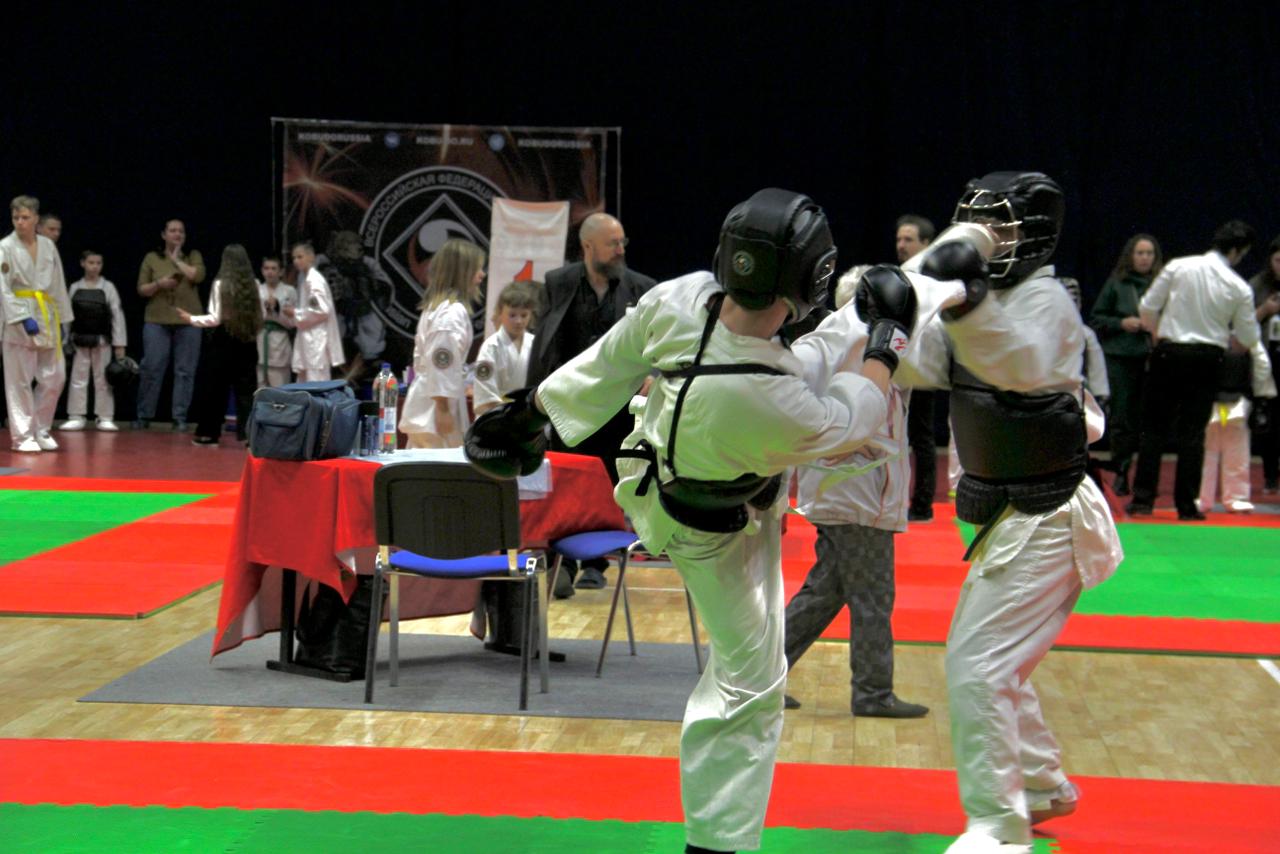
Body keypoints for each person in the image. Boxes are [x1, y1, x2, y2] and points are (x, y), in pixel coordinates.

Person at [465, 188, 922, 854]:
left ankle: (716, 836)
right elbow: (855, 414)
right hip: (715, 536)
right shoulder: (772, 400)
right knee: (751, 682)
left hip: (664, 477)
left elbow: (614, 357)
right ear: (813, 275)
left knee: (812, 352)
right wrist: (887, 341)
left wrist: (530, 412)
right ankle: (714, 842)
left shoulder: (681, 298)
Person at [896, 171, 1124, 853]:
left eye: (998, 226)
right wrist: (898, 299)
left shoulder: (1047, 301)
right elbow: (923, 366)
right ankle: (1043, 784)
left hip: (1050, 513)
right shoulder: (986, 297)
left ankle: (998, 826)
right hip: (1011, 515)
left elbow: (1017, 365)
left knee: (980, 666)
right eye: (975, 223)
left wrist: (959, 303)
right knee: (993, 657)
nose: (984, 238)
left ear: (1034, 235)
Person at [781, 266, 929, 719]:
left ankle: (755, 676)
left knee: (826, 593)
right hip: (853, 496)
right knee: (873, 597)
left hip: (854, 492)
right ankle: (873, 692)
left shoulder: (864, 345)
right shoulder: (835, 347)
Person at [527, 212, 657, 589]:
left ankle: (597, 564)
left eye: (622, 242)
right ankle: (565, 563)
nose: (620, 250)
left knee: (609, 483)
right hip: (573, 404)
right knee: (567, 483)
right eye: (612, 243)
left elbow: (658, 339)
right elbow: (545, 344)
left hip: (620, 408)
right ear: (587, 247)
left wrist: (653, 374)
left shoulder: (641, 288)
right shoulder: (559, 283)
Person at [1129, 220, 1269, 520]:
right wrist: (1229, 340)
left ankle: (1142, 500)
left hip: (1169, 351)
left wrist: (1157, 334)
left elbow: (1147, 307)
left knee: (1153, 429)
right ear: (1237, 251)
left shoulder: (1179, 266)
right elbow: (1247, 336)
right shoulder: (1238, 286)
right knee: (1193, 433)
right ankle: (1187, 506)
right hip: (1208, 358)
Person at [1089, 234, 1161, 495]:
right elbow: (1097, 318)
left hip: (1152, 358)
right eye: (1140, 253)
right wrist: (1121, 323)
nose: (1144, 258)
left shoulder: (1161, 284)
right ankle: (1121, 471)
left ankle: (1144, 478)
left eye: (1149, 253)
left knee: (1149, 420)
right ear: (1131, 256)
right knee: (1122, 418)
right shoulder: (1117, 283)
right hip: (1120, 358)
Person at [2, 195, 73, 452]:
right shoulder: (5, 247)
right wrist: (21, 316)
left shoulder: (47, 246)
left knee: (55, 376)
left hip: (47, 314)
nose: (20, 222)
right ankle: (22, 436)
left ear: (35, 219)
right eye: (16, 217)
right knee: (19, 381)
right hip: (19, 319)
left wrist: (64, 319)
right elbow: (2, 288)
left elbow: (58, 283)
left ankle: (41, 428)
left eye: (25, 217)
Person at [399, 238, 485, 448]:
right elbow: (441, 362)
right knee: (437, 463)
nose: (482, 275)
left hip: (433, 399)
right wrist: (443, 409)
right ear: (462, 273)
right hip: (435, 408)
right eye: (477, 269)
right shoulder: (450, 314)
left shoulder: (439, 308)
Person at [178, 244, 265, 445]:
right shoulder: (255, 284)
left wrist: (191, 319)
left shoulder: (220, 285)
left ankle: (209, 434)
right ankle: (250, 437)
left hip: (224, 340)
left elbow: (215, 318)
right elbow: (262, 315)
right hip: (247, 340)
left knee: (216, 389)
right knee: (247, 390)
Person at [134, 219, 205, 431]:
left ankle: (180, 417)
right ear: (164, 234)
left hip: (188, 321)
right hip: (157, 320)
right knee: (152, 367)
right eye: (173, 231)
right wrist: (159, 284)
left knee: (185, 371)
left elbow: (198, 276)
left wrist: (176, 260)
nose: (177, 234)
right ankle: (144, 415)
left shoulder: (193, 256)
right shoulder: (152, 258)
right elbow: (141, 289)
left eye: (181, 231)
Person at [897, 215, 940, 521]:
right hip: (904, 362)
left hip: (922, 365)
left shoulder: (930, 276)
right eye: (899, 239)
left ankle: (922, 504)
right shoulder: (905, 274)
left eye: (908, 239)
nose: (901, 245)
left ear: (926, 243)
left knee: (920, 435)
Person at [60, 250, 126, 431]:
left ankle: (104, 416)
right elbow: (67, 316)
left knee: (103, 379)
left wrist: (119, 343)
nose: (95, 266)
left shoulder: (108, 287)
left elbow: (117, 316)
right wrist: (64, 341)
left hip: (101, 340)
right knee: (77, 378)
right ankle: (76, 415)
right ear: (83, 263)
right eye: (91, 262)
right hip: (79, 340)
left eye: (98, 263)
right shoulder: (75, 287)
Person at [1198, 339, 1258, 513]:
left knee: (1225, 449)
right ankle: (1207, 497)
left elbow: (1261, 364)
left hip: (1233, 400)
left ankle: (1231, 497)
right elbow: (1262, 366)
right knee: (1212, 449)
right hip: (1213, 398)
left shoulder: (1245, 337)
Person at [472, 280, 538, 417]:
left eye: (524, 315)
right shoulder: (490, 347)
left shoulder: (535, 344)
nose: (519, 321)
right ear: (500, 313)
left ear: (531, 315)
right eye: (512, 315)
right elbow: (485, 394)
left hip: (528, 417)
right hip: (495, 418)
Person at [284, 241, 343, 382]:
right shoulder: (306, 279)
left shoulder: (315, 281)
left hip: (316, 342)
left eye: (300, 257)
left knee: (316, 382)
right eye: (294, 258)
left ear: (311, 257)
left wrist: (295, 313)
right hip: (308, 340)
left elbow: (322, 310)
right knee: (304, 383)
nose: (296, 261)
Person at [1249, 234, 1280, 493]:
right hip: (1266, 360)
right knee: (1269, 421)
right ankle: (1270, 475)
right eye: (1279, 260)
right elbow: (1243, 323)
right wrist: (1265, 310)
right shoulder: (1257, 285)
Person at [256, 254, 296, 388]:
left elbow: (293, 322)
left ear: (281, 272)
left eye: (274, 268)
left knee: (280, 390)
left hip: (280, 342)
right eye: (266, 268)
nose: (270, 272)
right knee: (261, 390)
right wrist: (266, 309)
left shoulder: (289, 291)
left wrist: (277, 307)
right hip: (260, 340)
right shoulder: (257, 290)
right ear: (262, 271)